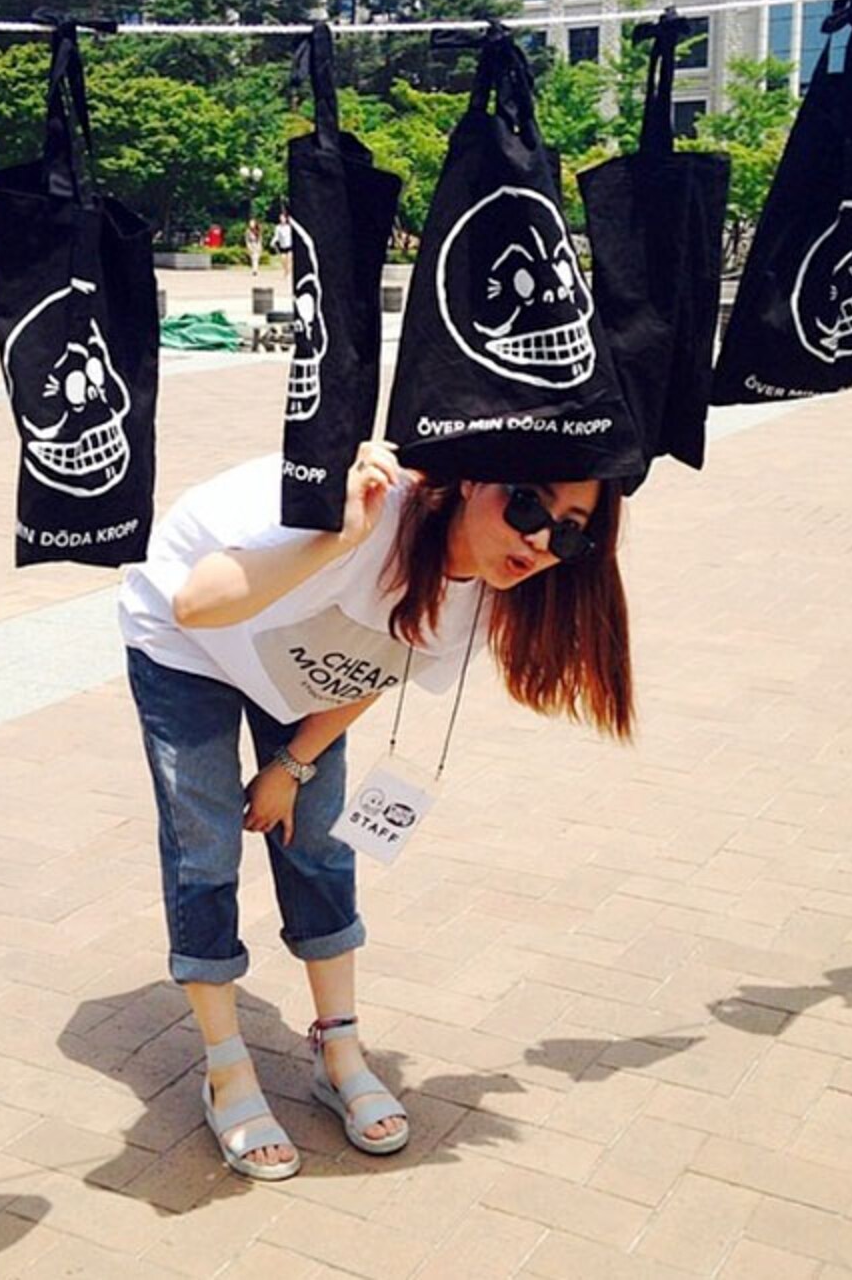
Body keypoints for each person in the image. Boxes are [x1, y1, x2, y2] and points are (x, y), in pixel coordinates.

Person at [118, 440, 632, 1180]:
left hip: (294, 665)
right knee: (206, 848)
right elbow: (195, 605)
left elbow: (379, 661)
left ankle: (339, 1047)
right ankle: (226, 1068)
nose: (541, 540)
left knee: (319, 844)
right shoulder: (368, 510)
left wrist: (293, 765)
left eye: (572, 533)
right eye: (528, 505)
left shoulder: (490, 590)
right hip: (187, 642)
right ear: (472, 480)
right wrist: (338, 535)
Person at [271, 208, 293, 280]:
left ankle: (289, 273)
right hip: (282, 246)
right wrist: (273, 241)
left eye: (283, 218)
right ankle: (285, 271)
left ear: (285, 219)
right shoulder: (278, 228)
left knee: (289, 260)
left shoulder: (289, 227)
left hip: (289, 245)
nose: (282, 219)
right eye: (281, 218)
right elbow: (276, 236)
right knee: (283, 261)